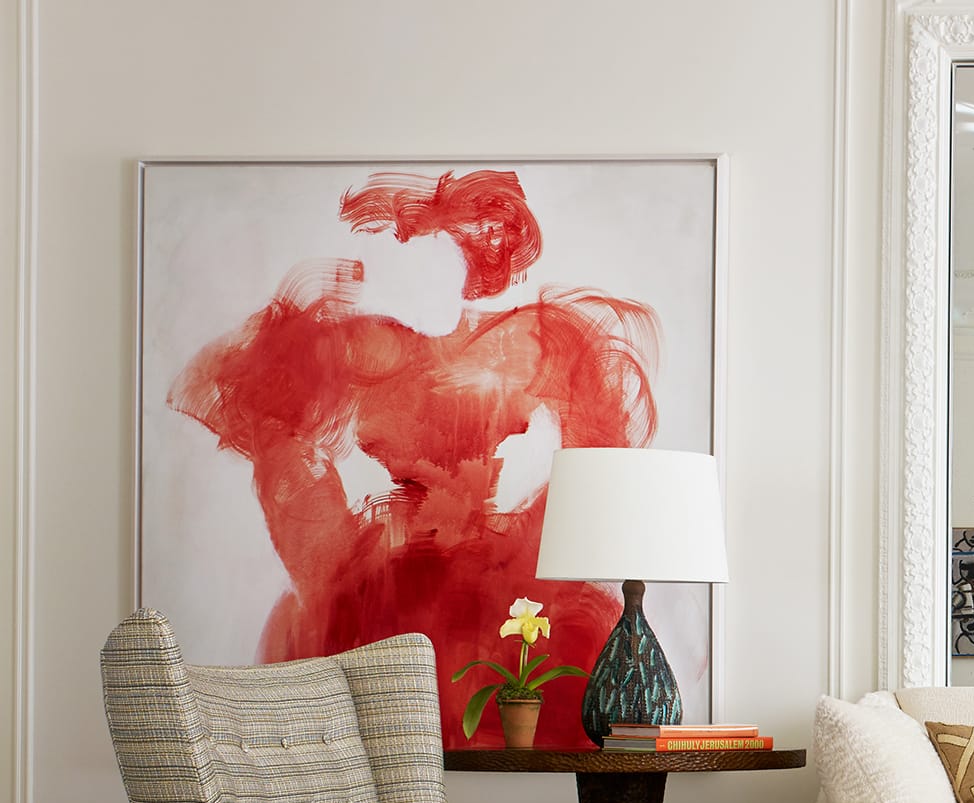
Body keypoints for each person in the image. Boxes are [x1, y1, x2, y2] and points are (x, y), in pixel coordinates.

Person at [170, 169, 658, 747]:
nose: (393, 263)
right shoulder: (351, 348)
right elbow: (267, 428)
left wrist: (528, 563)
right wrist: (338, 574)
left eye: (420, 241)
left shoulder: (536, 343)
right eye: (395, 243)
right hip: (379, 601)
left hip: (508, 606)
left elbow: (603, 462)